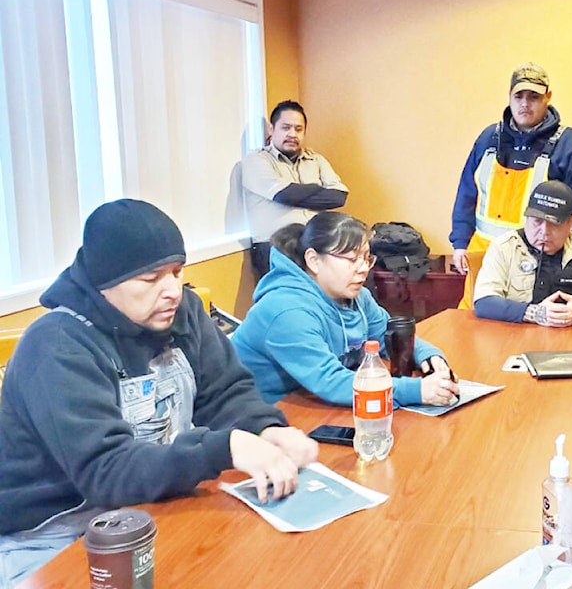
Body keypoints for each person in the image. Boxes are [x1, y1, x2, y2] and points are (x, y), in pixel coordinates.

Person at [0, 199, 317, 585]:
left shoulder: (184, 312)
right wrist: (224, 448)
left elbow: (224, 392)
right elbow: (106, 470)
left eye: (177, 272)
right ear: (104, 284)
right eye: (151, 279)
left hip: (148, 505)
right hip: (48, 537)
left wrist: (265, 428)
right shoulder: (57, 346)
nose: (172, 291)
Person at [232, 211, 460, 407]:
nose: (363, 269)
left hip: (310, 399)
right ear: (313, 260)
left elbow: (386, 335)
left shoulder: (358, 296)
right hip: (262, 416)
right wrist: (416, 390)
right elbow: (330, 381)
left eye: (366, 258)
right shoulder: (286, 311)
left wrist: (427, 356)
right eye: (352, 259)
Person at [449, 62, 572, 278]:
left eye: (534, 97)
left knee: (528, 312)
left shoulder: (569, 143)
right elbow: (466, 194)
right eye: (519, 96)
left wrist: (553, 253)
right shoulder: (489, 138)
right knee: (473, 312)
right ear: (509, 96)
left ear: (548, 97)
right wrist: (460, 243)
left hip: (536, 260)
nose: (525, 104)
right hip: (483, 256)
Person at [472, 180, 572, 327]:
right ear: (526, 217)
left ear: (571, 222)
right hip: (516, 337)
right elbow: (484, 303)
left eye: (554, 223)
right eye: (537, 221)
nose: (544, 232)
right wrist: (536, 313)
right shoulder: (504, 246)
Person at [242, 100, 349, 279]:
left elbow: (339, 197)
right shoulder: (256, 161)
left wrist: (296, 193)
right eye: (285, 127)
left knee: (346, 276)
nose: (292, 134)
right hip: (275, 246)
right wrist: (317, 188)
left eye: (298, 129)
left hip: (315, 242)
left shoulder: (316, 159)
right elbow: (284, 195)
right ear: (271, 130)